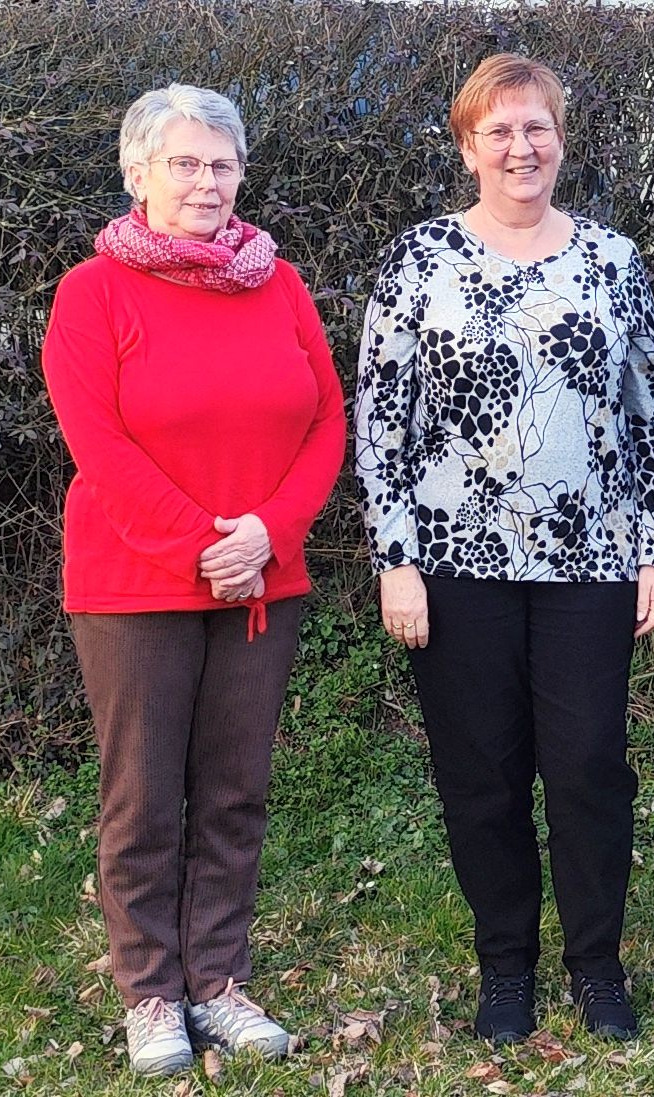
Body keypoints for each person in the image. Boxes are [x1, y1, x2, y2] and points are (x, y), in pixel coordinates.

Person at [354, 53, 654, 1045]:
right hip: (453, 565)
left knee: (586, 767)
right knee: (479, 774)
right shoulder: (419, 262)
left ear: (560, 140)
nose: (520, 146)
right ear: (467, 146)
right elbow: (380, 419)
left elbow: (653, 414)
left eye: (535, 127)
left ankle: (595, 963)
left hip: (591, 562)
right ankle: (505, 968)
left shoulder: (612, 262)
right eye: (498, 130)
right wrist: (394, 557)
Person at [40, 84, 344, 1076]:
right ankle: (149, 991)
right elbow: (100, 441)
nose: (206, 181)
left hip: (264, 579)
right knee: (140, 797)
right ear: (138, 175)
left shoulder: (281, 283)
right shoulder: (93, 293)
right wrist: (202, 545)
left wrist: (266, 533)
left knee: (233, 792)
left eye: (221, 164)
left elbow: (324, 421)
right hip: (134, 585)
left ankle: (216, 979)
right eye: (184, 163)